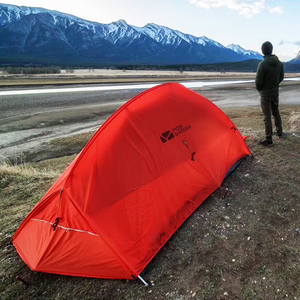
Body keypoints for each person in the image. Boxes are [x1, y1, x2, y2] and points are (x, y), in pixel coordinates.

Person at [255, 41, 284, 146]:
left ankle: (269, 138)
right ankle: (280, 132)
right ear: (271, 50)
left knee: (267, 116)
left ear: (263, 51)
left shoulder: (262, 64)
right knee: (276, 112)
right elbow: (281, 77)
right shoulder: (280, 63)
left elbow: (258, 81)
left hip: (265, 94)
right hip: (275, 92)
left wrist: (261, 89)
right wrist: (274, 85)